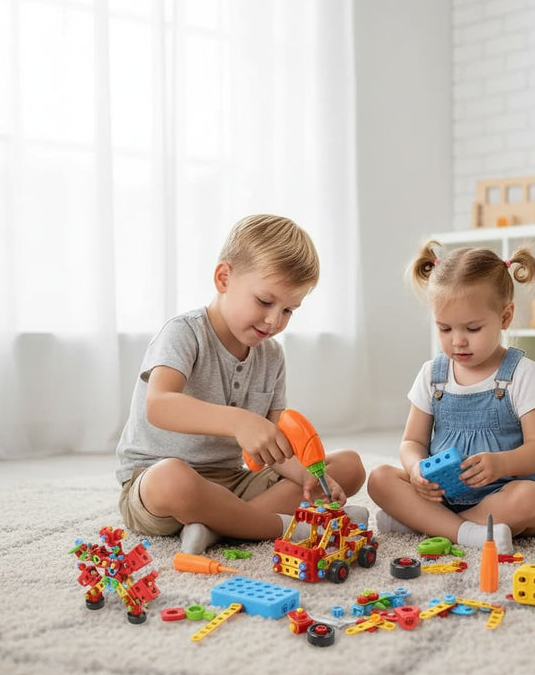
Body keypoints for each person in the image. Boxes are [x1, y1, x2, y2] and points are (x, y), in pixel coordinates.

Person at [116, 214, 368, 554]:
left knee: (348, 467)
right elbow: (159, 405)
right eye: (265, 302)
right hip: (159, 483)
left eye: (289, 310)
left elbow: (275, 449)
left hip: (234, 481)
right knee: (170, 480)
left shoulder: (272, 356)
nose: (274, 320)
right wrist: (239, 421)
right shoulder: (184, 332)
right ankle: (272, 526)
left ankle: (221, 526)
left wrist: (306, 476)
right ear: (224, 278)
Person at [367, 243, 535, 554]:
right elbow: (411, 442)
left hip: (503, 492)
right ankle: (464, 530)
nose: (457, 340)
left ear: (505, 316)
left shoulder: (522, 374)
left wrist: (500, 464)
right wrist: (417, 469)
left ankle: (430, 524)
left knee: (532, 500)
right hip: (442, 494)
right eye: (444, 328)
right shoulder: (433, 374)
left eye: (472, 328)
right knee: (379, 478)